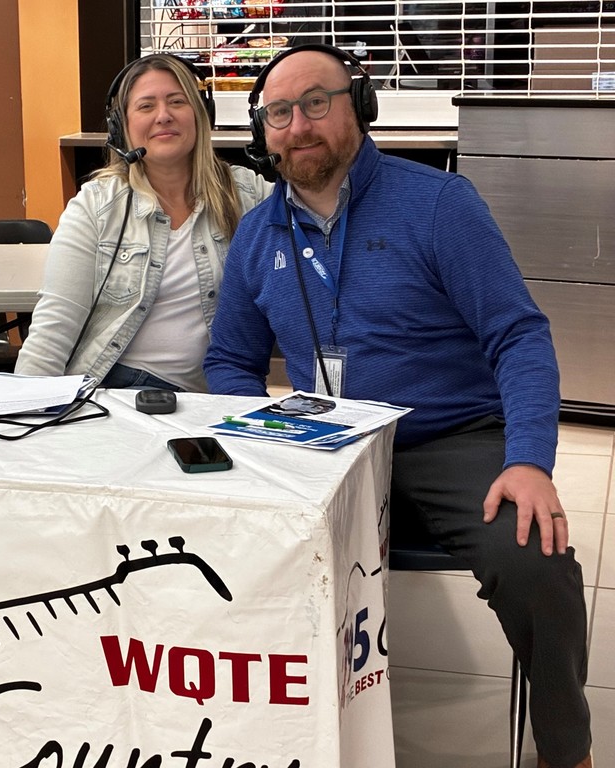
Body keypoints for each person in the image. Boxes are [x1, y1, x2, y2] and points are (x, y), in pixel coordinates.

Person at [204, 44, 591, 768]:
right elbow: (231, 358)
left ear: (360, 105)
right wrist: (255, 431)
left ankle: (566, 750)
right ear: (262, 133)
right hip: (324, 442)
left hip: (449, 437)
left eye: (316, 102)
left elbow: (518, 335)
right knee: (225, 541)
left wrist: (530, 459)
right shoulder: (258, 236)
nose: (298, 125)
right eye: (278, 113)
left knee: (537, 560)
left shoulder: (439, 204)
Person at [14, 54, 273, 392]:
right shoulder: (96, 205)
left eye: (177, 101)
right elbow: (54, 327)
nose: (163, 116)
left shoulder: (247, 193)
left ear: (200, 114)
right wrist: (19, 410)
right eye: (146, 106)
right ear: (121, 127)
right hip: (112, 389)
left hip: (207, 399)